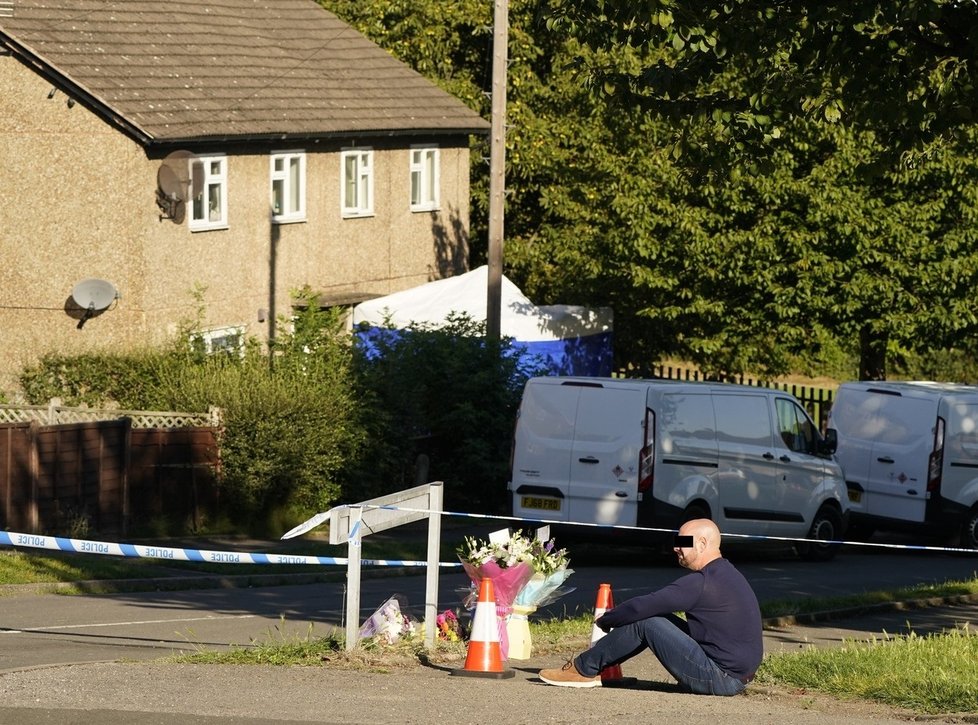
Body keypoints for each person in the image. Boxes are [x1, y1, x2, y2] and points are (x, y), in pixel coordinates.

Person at [538, 518, 762, 695]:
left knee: (647, 619)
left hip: (721, 678)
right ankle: (599, 669)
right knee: (658, 618)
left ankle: (582, 670)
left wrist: (607, 619)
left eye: (683, 542)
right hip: (736, 676)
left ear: (702, 543)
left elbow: (643, 606)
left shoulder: (702, 582)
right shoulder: (727, 573)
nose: (676, 548)